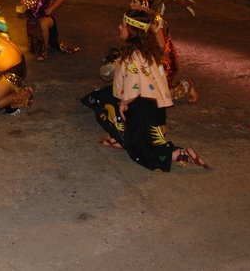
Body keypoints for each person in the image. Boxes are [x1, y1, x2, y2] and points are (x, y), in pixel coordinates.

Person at [81, 9, 210, 171]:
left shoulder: (133, 56)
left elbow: (132, 86)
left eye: (123, 25)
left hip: (143, 110)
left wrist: (123, 103)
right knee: (103, 96)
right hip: (153, 106)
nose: (119, 27)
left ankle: (181, 154)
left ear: (132, 32)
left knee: (141, 149)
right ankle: (120, 138)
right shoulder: (147, 49)